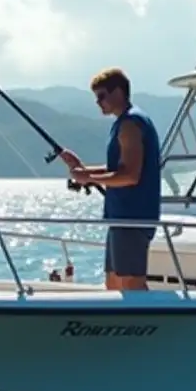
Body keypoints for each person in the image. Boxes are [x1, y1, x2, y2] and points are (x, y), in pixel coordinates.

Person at [58, 67, 162, 291]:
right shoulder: (122, 123)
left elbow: (130, 176)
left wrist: (86, 177)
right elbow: (118, 168)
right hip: (120, 218)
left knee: (131, 284)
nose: (98, 102)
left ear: (119, 92)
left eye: (102, 96)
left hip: (131, 218)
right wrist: (84, 171)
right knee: (113, 283)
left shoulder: (130, 124)